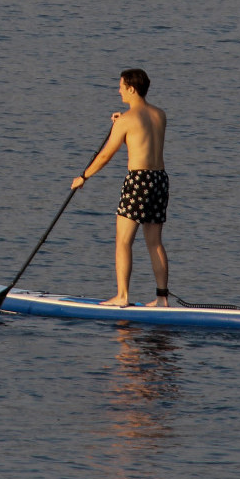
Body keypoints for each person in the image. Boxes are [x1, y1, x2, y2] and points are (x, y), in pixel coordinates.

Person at [70, 69, 170, 307]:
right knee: (155, 242)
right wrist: (121, 122)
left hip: (138, 181)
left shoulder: (126, 120)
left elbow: (105, 155)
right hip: (160, 179)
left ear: (132, 89)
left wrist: (84, 176)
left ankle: (122, 296)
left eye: (121, 86)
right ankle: (162, 299)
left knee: (123, 241)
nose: (119, 90)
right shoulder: (160, 114)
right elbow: (141, 132)